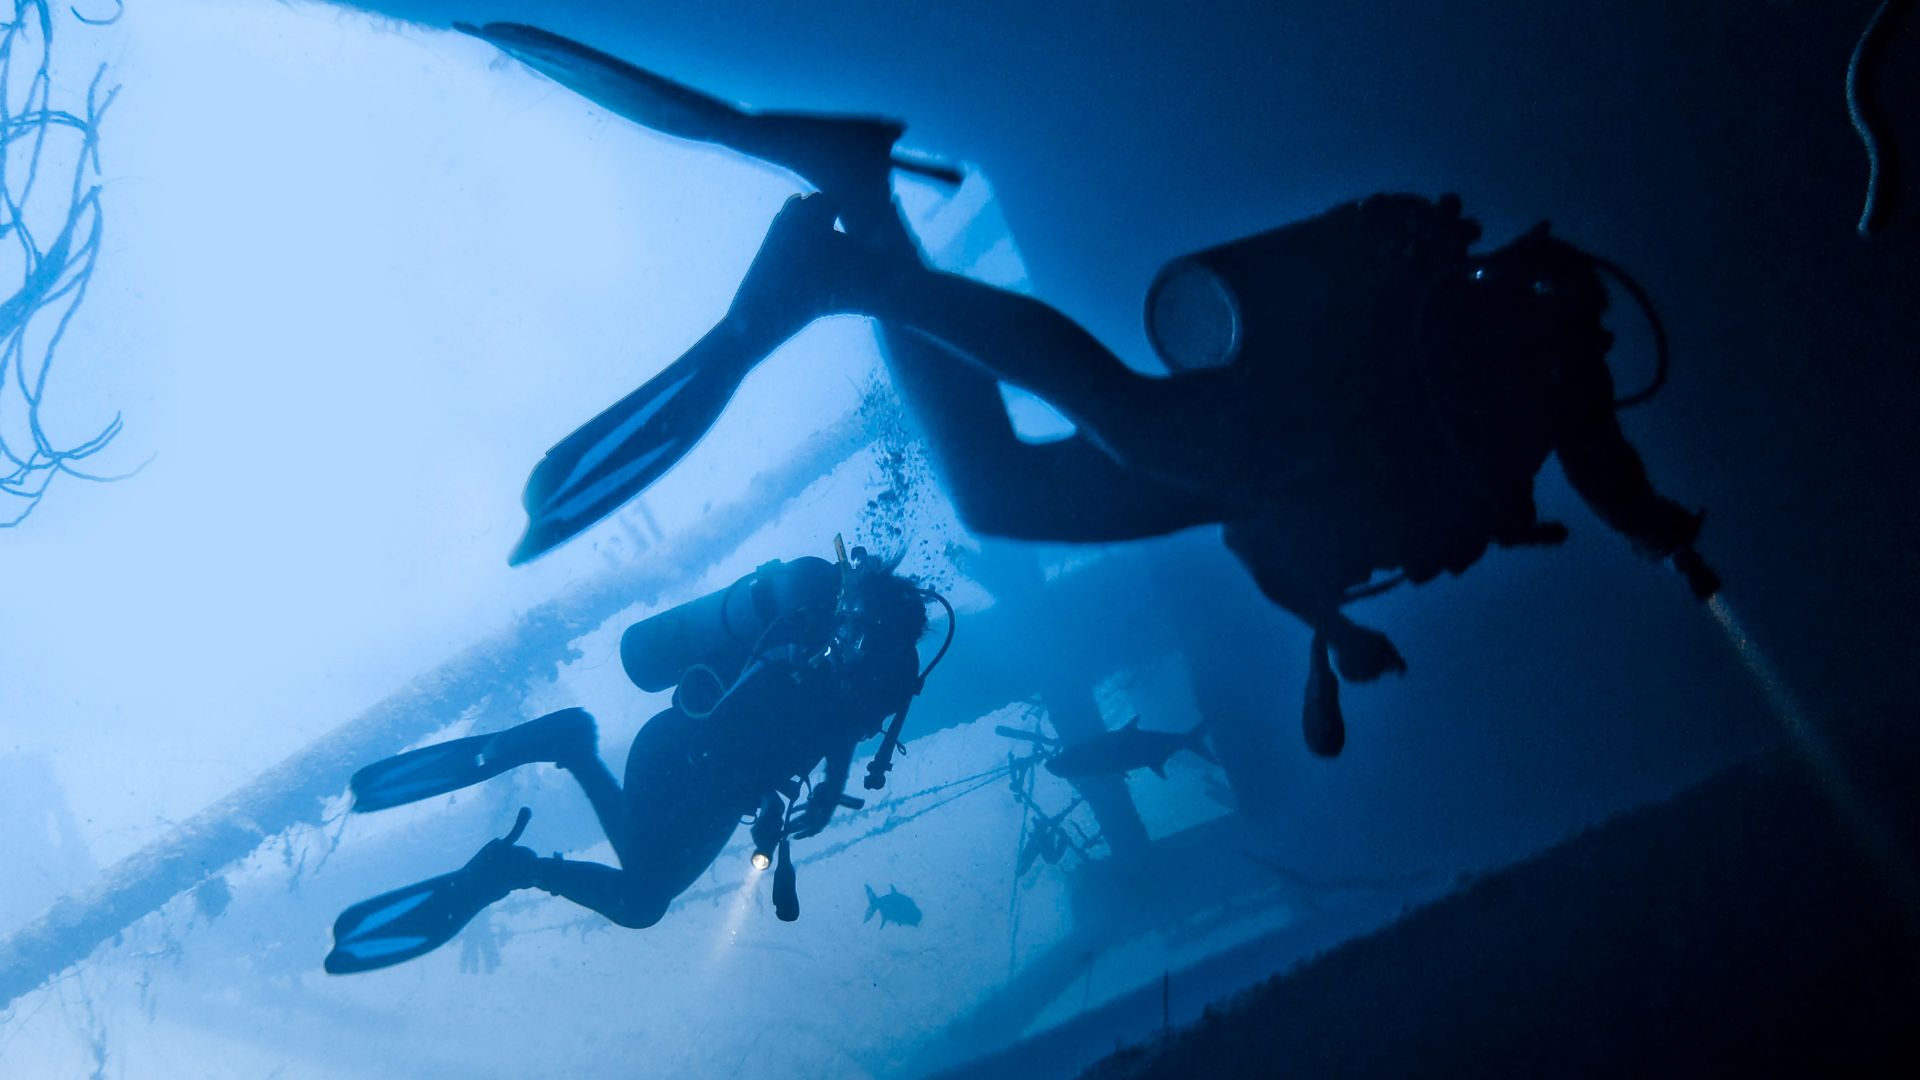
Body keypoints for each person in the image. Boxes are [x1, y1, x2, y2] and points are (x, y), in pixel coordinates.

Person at [462, 23, 1714, 757]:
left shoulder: (1525, 393)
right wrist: (1662, 536)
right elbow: (1610, 468)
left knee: (1000, 492)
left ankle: (858, 196)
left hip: (1266, 468)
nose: (1595, 351)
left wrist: (1329, 637)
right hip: (1291, 419)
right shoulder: (1549, 369)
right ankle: (846, 282)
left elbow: (1275, 544)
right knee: (1133, 411)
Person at [326, 543, 949, 974]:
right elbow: (745, 726)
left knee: (642, 897)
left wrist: (820, 785)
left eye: (871, 650)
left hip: (713, 778)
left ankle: (539, 818)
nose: (854, 652)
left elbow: (829, 726)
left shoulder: (870, 681)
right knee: (643, 896)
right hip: (679, 752)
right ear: (850, 616)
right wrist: (771, 793)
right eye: (855, 636)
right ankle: (562, 768)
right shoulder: (804, 642)